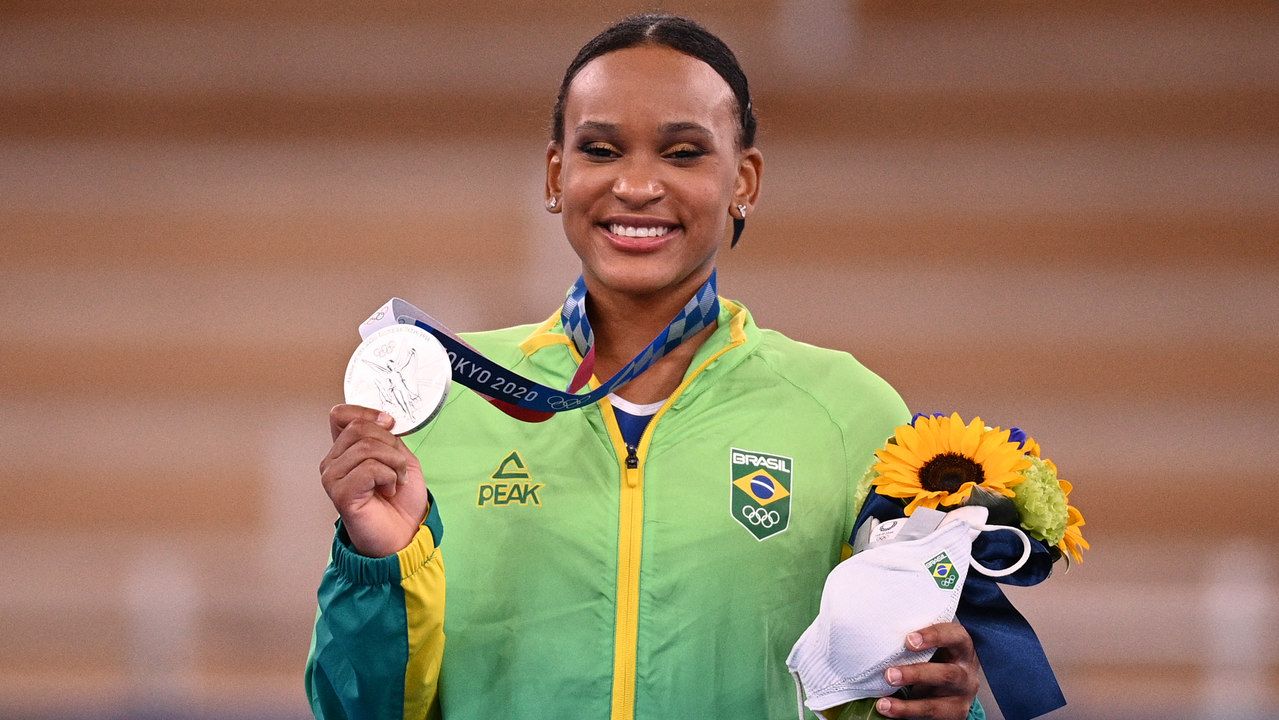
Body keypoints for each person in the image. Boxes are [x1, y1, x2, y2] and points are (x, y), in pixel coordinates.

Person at [306, 14, 982, 720]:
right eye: (600, 149)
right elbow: (354, 711)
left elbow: (902, 682)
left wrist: (946, 708)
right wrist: (375, 570)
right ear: (555, 174)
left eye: (682, 153)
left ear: (743, 181)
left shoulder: (849, 413)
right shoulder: (447, 398)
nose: (635, 185)